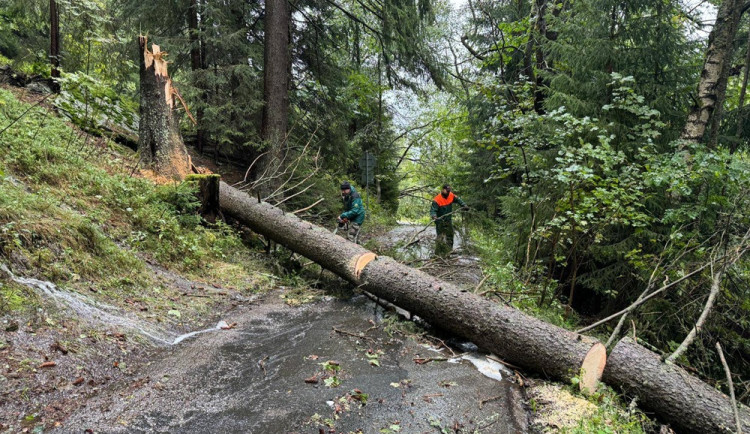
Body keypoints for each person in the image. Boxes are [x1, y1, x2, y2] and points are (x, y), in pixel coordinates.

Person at [430, 184, 468, 256]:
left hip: (448, 220)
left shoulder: (451, 195)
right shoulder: (437, 200)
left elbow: (458, 200)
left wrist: (464, 205)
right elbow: (433, 210)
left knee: (450, 235)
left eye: (449, 191)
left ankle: (449, 251)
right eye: (446, 191)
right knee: (440, 236)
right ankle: (438, 253)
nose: (448, 192)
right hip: (439, 220)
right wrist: (434, 216)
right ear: (443, 190)